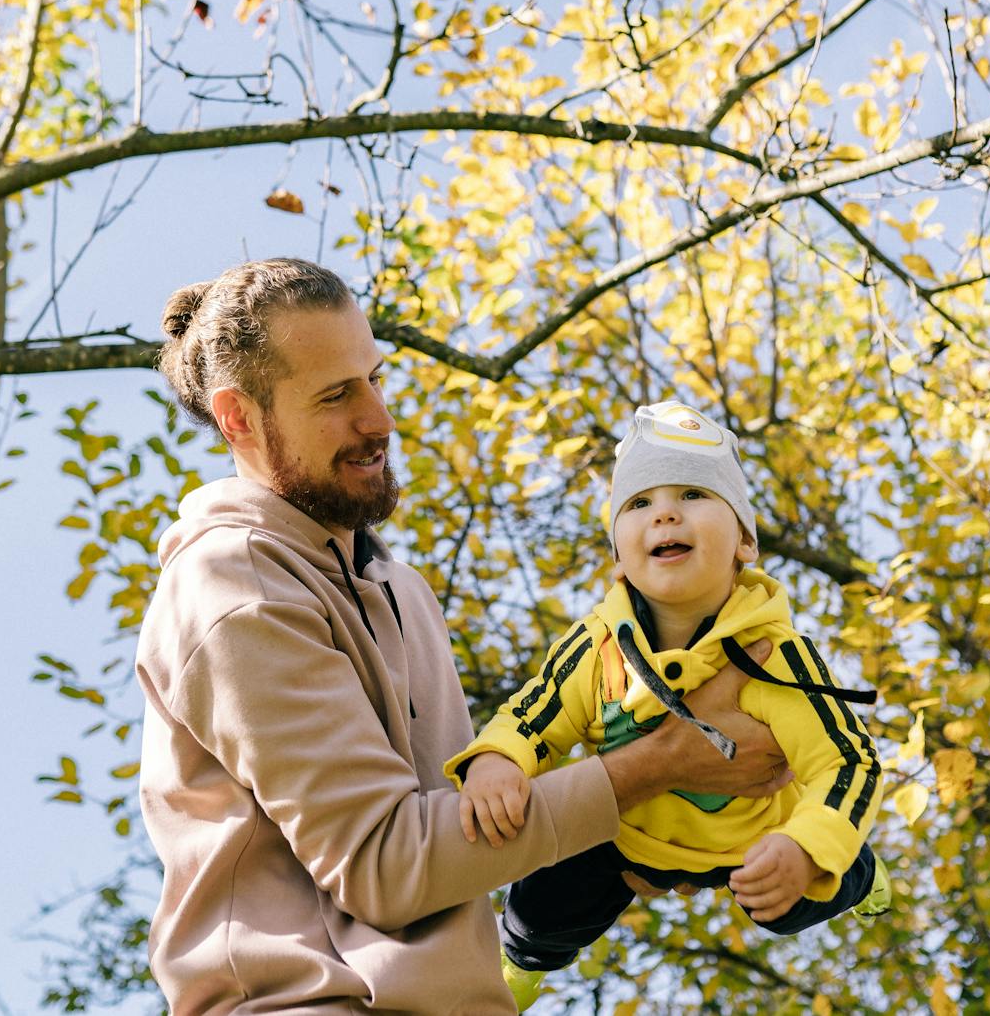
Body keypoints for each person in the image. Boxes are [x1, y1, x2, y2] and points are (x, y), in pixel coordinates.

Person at [136, 259, 793, 1014]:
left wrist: (634, 840)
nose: (378, 419)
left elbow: (455, 847)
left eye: (375, 379)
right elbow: (386, 866)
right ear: (239, 418)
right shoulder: (231, 583)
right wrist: (650, 768)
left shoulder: (397, 589)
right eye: (335, 395)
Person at [452, 400, 890, 1008]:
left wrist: (808, 848)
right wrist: (498, 760)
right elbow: (535, 714)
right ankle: (518, 968)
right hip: (628, 832)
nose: (663, 513)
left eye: (691, 494)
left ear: (745, 540)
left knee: (791, 901)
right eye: (639, 503)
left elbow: (849, 763)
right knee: (544, 901)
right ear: (618, 554)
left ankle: (861, 876)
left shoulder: (775, 655)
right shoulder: (599, 645)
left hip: (756, 837)